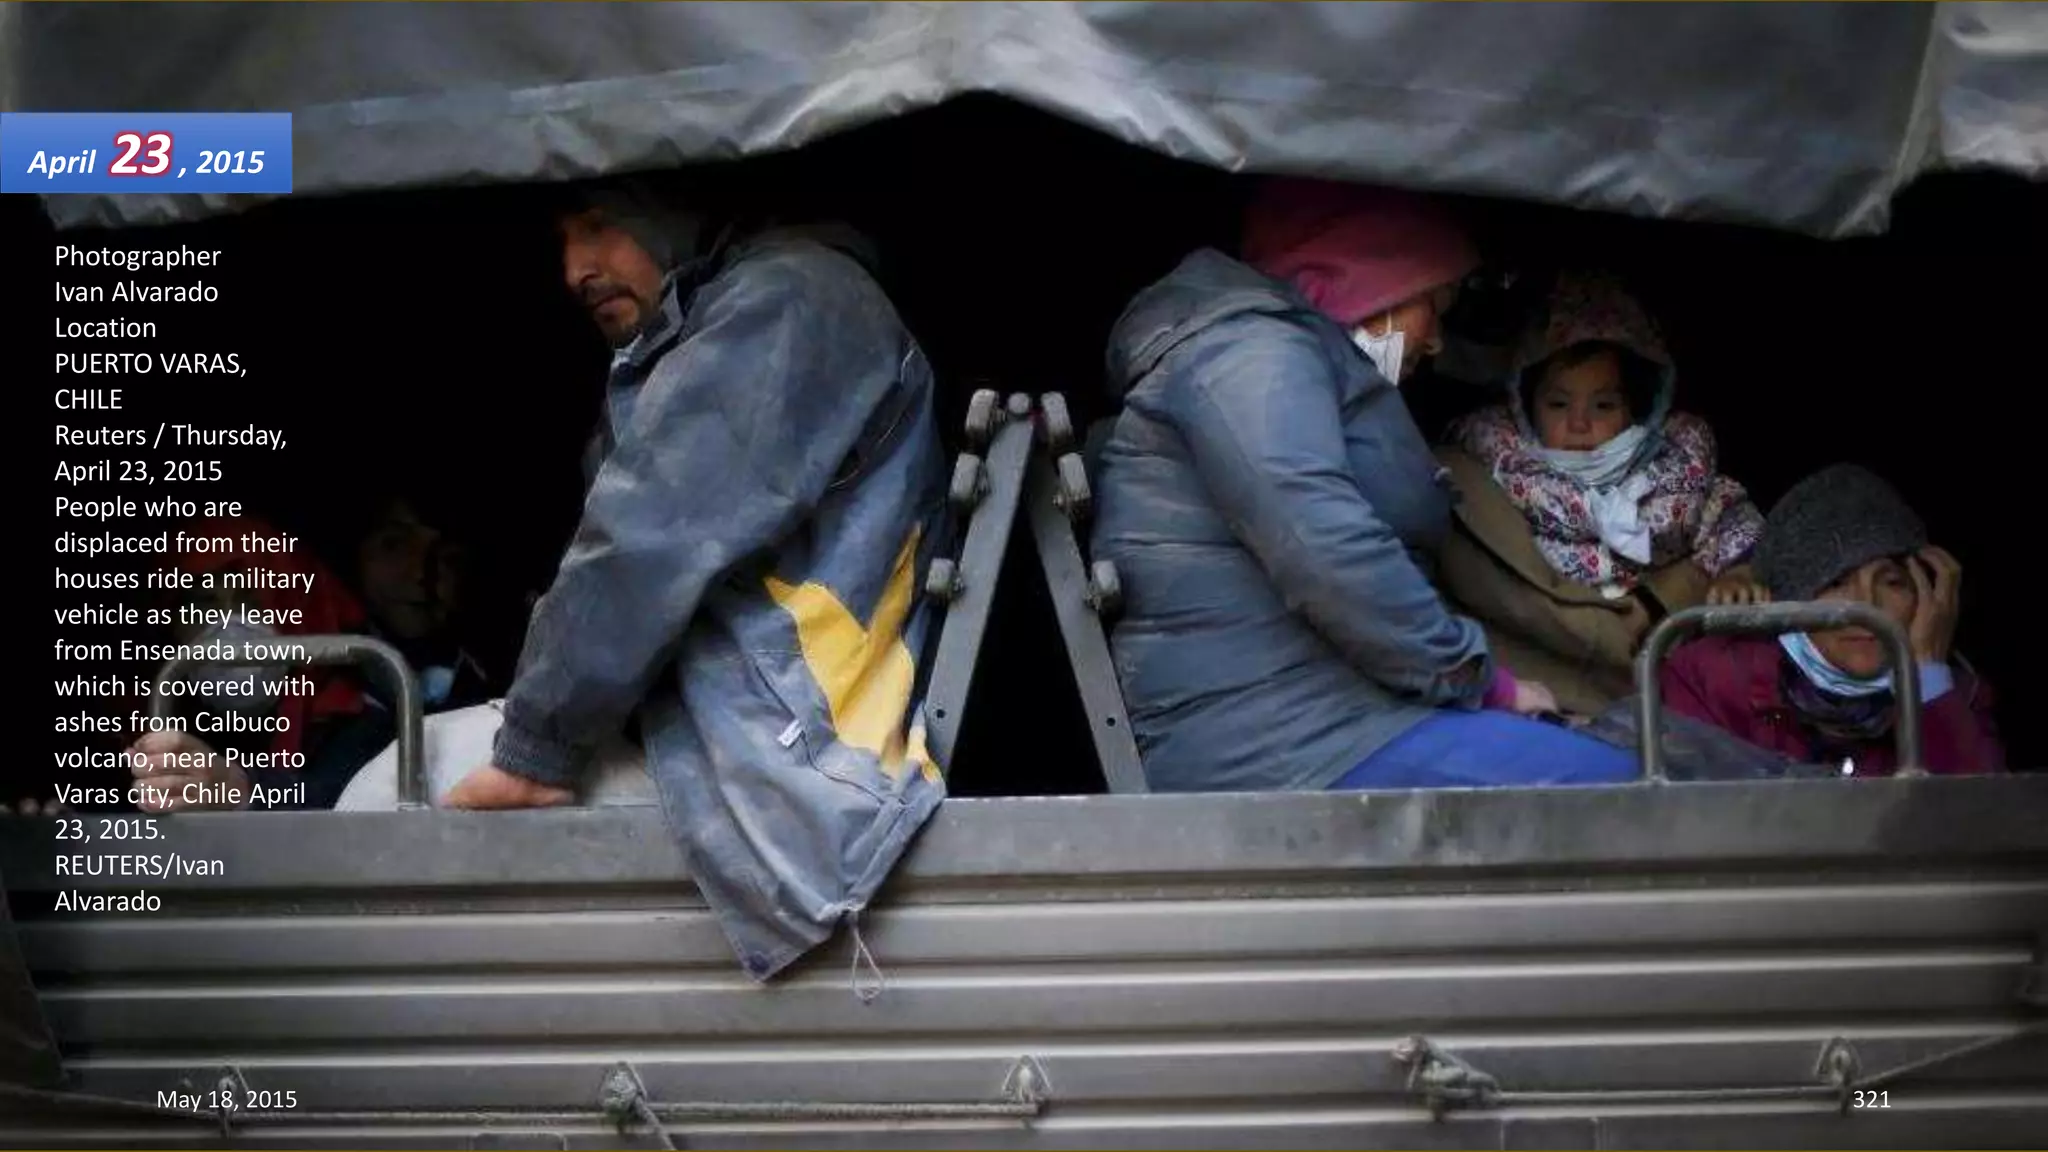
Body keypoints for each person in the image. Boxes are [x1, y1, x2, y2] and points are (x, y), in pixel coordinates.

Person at [437, 177, 951, 982]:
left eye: (600, 226)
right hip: (756, 730)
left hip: (785, 757)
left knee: (386, 795)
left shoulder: (788, 301)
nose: (575, 270)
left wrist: (535, 750)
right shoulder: (739, 310)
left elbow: (643, 541)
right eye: (564, 242)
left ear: (675, 203)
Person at [1091, 177, 1639, 793]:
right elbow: (1322, 546)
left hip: (1326, 721)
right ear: (1372, 279)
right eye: (1434, 305)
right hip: (1280, 740)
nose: (1436, 340)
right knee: (1636, 796)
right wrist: (1482, 681)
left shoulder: (1274, 352)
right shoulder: (1248, 351)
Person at [1435, 271, 1765, 713]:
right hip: (1553, 686)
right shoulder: (1490, 477)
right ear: (1524, 407)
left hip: (1669, 689)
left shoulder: (1678, 476)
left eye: (1604, 405)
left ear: (1638, 410)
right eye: (1558, 404)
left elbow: (1737, 527)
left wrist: (1738, 576)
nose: (1579, 424)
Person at [1660, 464, 2003, 776]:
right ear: (1793, 596)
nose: (1866, 605)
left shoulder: (1956, 697)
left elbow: (1974, 817)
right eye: (1836, 582)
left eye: (1892, 582)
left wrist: (1926, 676)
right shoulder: (1710, 678)